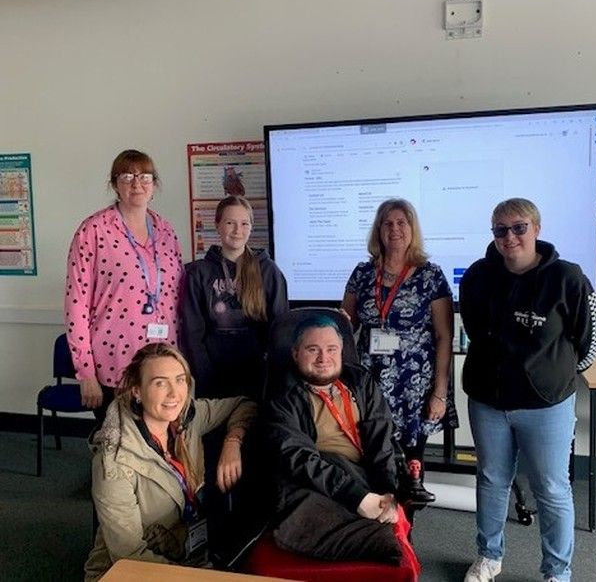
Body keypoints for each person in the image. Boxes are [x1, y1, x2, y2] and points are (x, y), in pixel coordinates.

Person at [459, 198, 596, 582]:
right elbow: (474, 330)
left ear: (536, 229)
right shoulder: (477, 275)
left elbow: (590, 341)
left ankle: (557, 572)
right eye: (500, 230)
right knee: (491, 479)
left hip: (546, 405)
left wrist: (552, 376)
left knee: (552, 488)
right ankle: (489, 556)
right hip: (488, 400)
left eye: (519, 227)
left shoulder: (568, 278)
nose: (510, 237)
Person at [84, 342, 257, 581]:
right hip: (129, 571)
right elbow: (129, 557)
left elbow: (243, 405)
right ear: (136, 391)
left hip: (184, 556)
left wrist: (233, 441)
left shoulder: (187, 418)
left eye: (180, 379)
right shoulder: (114, 461)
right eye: (160, 383)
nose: (175, 394)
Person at [265, 314, 420, 571]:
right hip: (320, 479)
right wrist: (358, 497)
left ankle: (365, 530)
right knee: (298, 507)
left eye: (331, 349)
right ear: (295, 354)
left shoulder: (360, 382)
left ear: (342, 351)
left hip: (366, 473)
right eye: (312, 349)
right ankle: (373, 535)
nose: (323, 358)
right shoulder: (283, 395)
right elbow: (298, 457)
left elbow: (381, 441)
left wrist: (387, 492)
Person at [341, 198, 456, 502]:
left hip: (414, 384)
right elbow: (344, 326)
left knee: (410, 469)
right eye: (388, 223)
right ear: (378, 230)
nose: (395, 229)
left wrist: (440, 394)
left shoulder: (430, 275)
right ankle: (379, 529)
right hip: (370, 381)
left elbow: (445, 337)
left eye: (401, 222)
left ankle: (407, 534)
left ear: (412, 229)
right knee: (372, 455)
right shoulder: (362, 274)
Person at [65, 149, 183, 424]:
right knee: (117, 451)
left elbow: (177, 299)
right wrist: (86, 373)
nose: (136, 183)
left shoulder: (166, 232)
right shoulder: (92, 231)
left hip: (162, 365)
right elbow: (76, 304)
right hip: (114, 366)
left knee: (160, 448)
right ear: (114, 184)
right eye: (127, 176)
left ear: (154, 184)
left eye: (144, 176)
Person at [180, 195, 289, 400]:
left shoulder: (268, 271)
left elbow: (279, 328)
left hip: (257, 378)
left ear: (251, 227)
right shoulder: (198, 273)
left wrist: (272, 374)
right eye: (230, 223)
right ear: (217, 225)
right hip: (211, 379)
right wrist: (203, 376)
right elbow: (192, 332)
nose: (238, 230)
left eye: (244, 223)